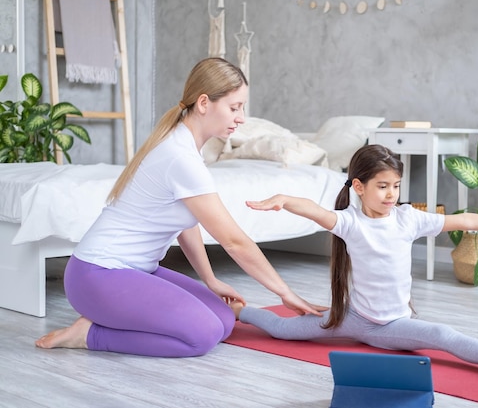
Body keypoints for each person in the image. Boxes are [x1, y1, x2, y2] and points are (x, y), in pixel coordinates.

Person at [35, 57, 325, 357]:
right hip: (97, 276)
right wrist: (285, 293)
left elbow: (186, 223)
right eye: (234, 107)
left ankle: (110, 322)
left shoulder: (184, 149)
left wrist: (210, 279)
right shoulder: (180, 157)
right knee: (203, 336)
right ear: (203, 103)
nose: (241, 118)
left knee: (224, 320)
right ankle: (89, 335)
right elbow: (235, 242)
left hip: (137, 271)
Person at [235, 144, 478, 379]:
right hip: (352, 317)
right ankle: (240, 311)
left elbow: (462, 220)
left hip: (392, 324)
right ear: (359, 187)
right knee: (281, 329)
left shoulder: (408, 219)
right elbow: (312, 209)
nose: (391, 195)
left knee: (441, 335)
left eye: (395, 186)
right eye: (382, 187)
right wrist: (283, 200)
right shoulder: (350, 222)